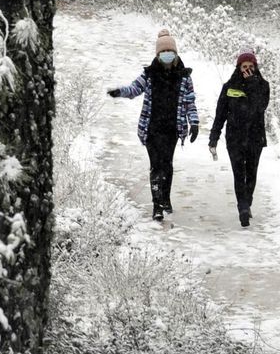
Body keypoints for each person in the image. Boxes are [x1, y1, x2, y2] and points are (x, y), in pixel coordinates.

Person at [107, 28, 200, 221]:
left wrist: (194, 123)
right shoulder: (149, 75)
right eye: (163, 52)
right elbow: (134, 88)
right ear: (158, 55)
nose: (167, 55)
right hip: (152, 129)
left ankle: (165, 198)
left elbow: (190, 101)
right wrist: (119, 92)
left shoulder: (184, 76)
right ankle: (157, 206)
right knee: (156, 166)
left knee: (167, 164)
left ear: (175, 54)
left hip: (172, 129)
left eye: (170, 52)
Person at [207, 50, 270, 228]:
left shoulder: (263, 86)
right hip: (234, 138)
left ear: (256, 68)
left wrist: (251, 84)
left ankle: (247, 202)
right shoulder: (229, 87)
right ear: (238, 68)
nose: (247, 70)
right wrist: (214, 137)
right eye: (244, 67)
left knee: (251, 173)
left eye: (251, 67)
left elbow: (260, 106)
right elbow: (220, 114)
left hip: (255, 138)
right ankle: (242, 207)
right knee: (238, 174)